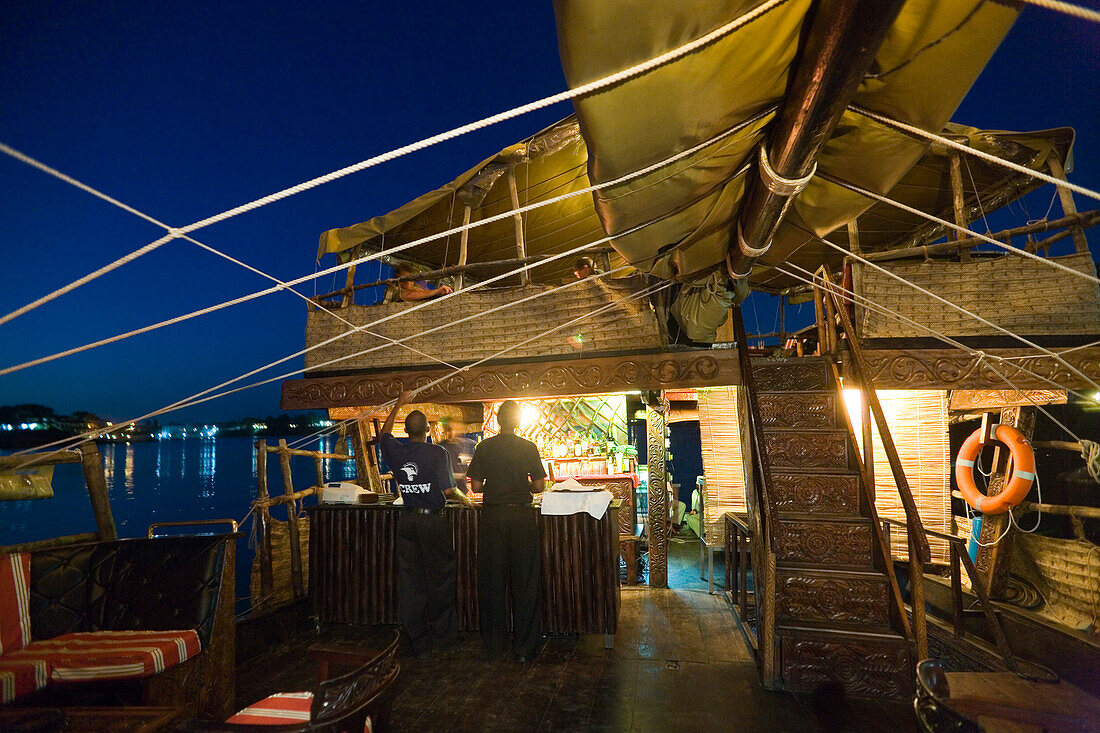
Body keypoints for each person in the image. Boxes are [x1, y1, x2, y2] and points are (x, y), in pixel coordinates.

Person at [378, 390, 473, 657]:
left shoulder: (396, 450)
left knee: (411, 581)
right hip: (432, 522)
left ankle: (417, 638)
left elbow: (384, 435)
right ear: (428, 429)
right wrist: (468, 501)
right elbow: (448, 492)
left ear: (405, 431)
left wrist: (398, 403)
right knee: (440, 579)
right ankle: (443, 636)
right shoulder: (437, 453)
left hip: (407, 521)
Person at [466, 400, 547, 662]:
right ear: (518, 422)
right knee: (525, 582)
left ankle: (494, 645)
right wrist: (521, 483)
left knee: (492, 582)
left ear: (498, 420)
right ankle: (524, 648)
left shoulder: (484, 447)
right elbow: (539, 486)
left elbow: (476, 487)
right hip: (521, 518)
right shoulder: (528, 447)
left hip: (493, 518)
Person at [440, 422, 476, 492]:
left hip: (462, 490)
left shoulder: (467, 445)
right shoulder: (441, 448)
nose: (452, 433)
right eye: (450, 430)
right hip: (446, 491)